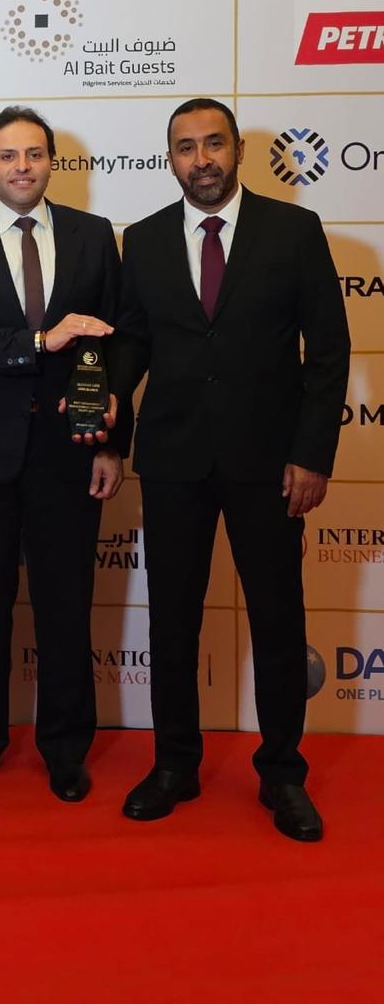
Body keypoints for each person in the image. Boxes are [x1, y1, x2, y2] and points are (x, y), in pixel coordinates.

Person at [113, 98, 350, 842]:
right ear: (170, 159)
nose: (201, 159)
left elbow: (329, 351)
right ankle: (174, 766)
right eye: (185, 147)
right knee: (172, 620)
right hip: (173, 459)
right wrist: (104, 402)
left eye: (213, 143)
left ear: (237, 150)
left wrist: (311, 453)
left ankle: (281, 773)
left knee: (277, 620)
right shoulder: (143, 239)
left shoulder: (294, 230)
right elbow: (133, 343)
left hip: (269, 462)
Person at [0, 106, 125, 803]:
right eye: (6, 156)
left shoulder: (93, 234)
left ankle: (66, 749)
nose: (21, 166)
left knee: (66, 606)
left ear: (51, 162)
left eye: (34, 154)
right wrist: (37, 343)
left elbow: (116, 342)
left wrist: (112, 440)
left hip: (70, 452)